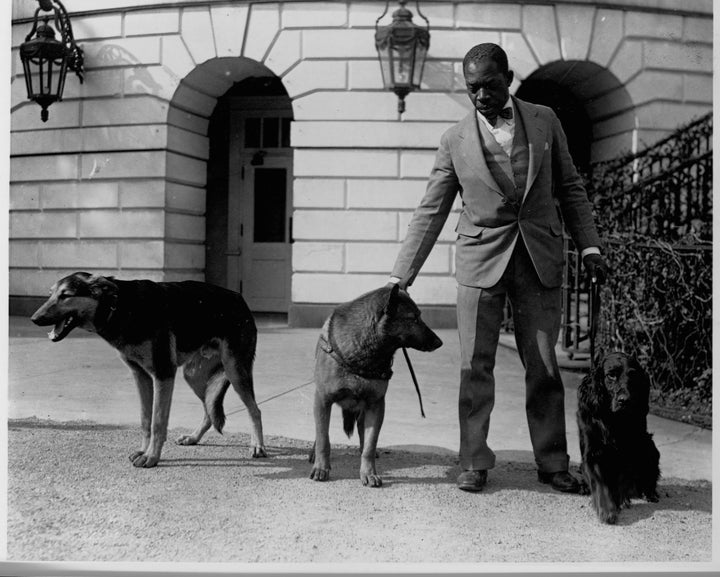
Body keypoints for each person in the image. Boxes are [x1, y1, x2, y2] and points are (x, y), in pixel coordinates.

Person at [389, 43, 608, 493]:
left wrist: (590, 248)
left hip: (539, 259)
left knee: (545, 365)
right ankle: (473, 461)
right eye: (473, 88)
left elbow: (570, 187)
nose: (482, 96)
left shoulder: (545, 120)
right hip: (479, 260)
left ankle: (552, 463)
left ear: (508, 78)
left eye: (490, 85)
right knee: (474, 366)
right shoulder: (455, 138)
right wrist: (400, 276)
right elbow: (431, 210)